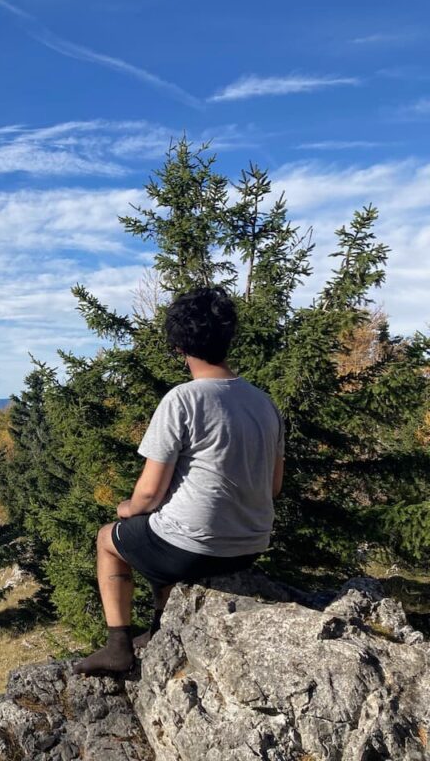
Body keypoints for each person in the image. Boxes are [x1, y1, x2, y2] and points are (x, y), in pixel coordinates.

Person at [73, 286, 284, 676]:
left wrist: (126, 510)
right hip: (251, 543)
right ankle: (158, 631)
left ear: (178, 346)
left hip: (195, 548)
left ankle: (118, 645)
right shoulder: (263, 403)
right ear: (228, 337)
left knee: (110, 539)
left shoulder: (182, 399)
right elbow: (273, 488)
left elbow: (149, 493)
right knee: (161, 532)